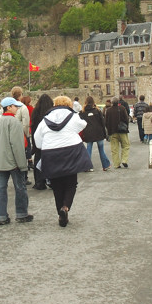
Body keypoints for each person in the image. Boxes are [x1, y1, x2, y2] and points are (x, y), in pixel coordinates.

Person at [34, 96, 93, 227]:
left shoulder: (46, 119)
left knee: (56, 185)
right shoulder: (73, 116)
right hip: (70, 150)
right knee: (71, 183)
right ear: (69, 104)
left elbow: (37, 139)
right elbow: (83, 124)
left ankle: (60, 212)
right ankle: (65, 208)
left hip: (51, 152)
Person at [0, 97, 34, 226]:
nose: (17, 108)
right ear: (9, 107)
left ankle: (1, 216)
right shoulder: (14, 122)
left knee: (1, 189)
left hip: (0, 161)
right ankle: (21, 214)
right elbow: (17, 145)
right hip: (13, 161)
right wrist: (22, 164)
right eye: (15, 106)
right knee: (20, 187)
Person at [80, 95, 110, 171]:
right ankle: (105, 165)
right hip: (99, 132)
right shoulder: (97, 111)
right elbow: (102, 123)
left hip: (88, 133)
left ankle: (88, 166)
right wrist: (105, 134)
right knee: (101, 150)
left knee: (89, 150)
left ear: (86, 102)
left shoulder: (82, 112)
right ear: (93, 102)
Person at [30, 93, 54, 190]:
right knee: (52, 161)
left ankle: (39, 182)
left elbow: (33, 128)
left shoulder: (35, 113)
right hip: (50, 141)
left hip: (39, 140)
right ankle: (52, 181)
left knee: (38, 160)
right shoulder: (52, 113)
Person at [104, 96, 130, 168]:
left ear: (111, 102)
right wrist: (126, 127)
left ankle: (116, 164)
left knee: (114, 149)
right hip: (122, 130)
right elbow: (126, 119)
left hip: (112, 131)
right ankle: (124, 160)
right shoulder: (122, 108)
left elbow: (106, 122)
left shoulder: (108, 110)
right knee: (126, 146)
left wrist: (108, 131)